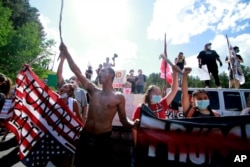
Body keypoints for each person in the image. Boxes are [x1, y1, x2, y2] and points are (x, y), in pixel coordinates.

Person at [59, 42, 137, 167]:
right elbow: (77, 71)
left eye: (102, 72)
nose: (99, 74)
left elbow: (124, 120)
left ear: (111, 75)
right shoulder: (93, 90)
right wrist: (67, 53)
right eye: (99, 72)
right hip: (86, 135)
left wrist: (135, 124)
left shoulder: (118, 97)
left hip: (104, 139)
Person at [57, 56, 89, 123]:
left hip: (74, 120)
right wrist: (62, 60)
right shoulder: (65, 87)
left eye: (74, 79)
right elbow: (59, 74)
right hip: (61, 116)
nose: (71, 80)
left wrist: (83, 119)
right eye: (70, 79)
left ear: (78, 82)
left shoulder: (81, 92)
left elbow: (84, 106)